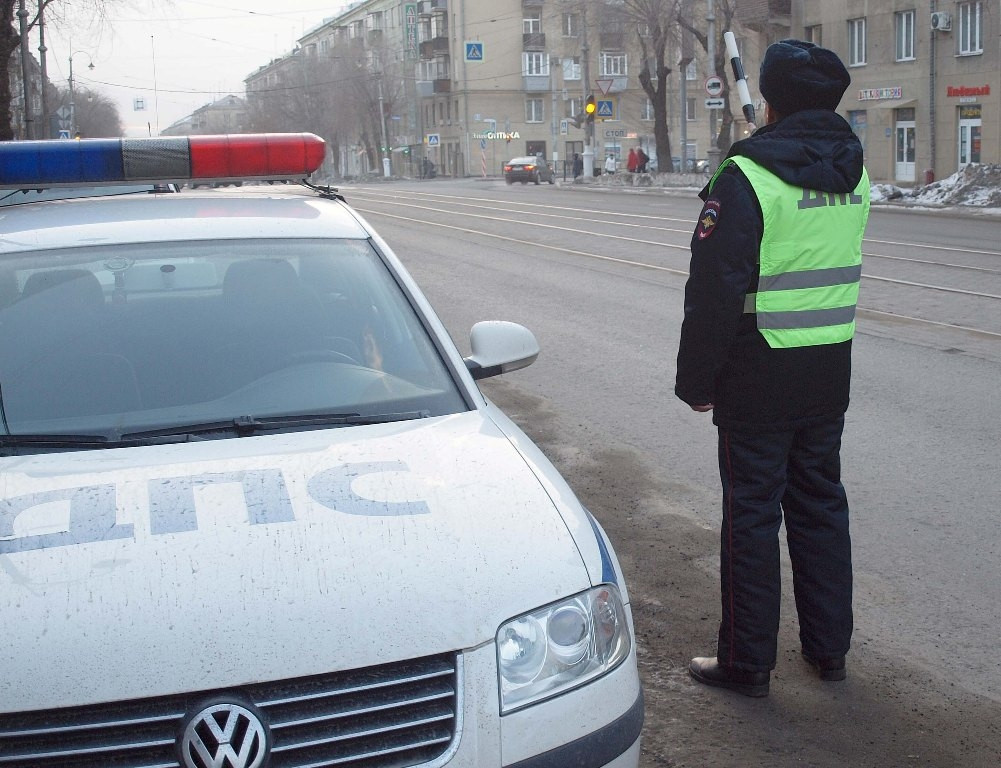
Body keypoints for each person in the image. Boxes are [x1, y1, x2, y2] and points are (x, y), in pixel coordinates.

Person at [676, 40, 870, 697]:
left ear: (770, 100)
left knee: (752, 517)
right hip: (827, 370)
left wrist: (697, 381)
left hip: (758, 372)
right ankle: (828, 650)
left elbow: (714, 292)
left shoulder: (748, 175)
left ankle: (745, 662)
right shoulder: (854, 169)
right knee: (820, 509)